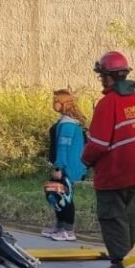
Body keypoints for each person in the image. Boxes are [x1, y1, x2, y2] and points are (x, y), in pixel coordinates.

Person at [80, 51, 135, 268]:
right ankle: (134, 262)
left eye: (102, 75)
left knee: (112, 219)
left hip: (115, 173)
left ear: (108, 76)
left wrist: (84, 160)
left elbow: (99, 144)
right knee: (130, 218)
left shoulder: (107, 103)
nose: (101, 79)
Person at [42, 89, 87, 241]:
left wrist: (58, 167)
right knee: (56, 194)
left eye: (55, 100)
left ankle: (68, 229)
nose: (52, 103)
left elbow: (63, 147)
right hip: (65, 165)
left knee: (66, 198)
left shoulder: (67, 125)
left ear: (62, 104)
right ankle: (60, 225)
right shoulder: (66, 121)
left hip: (68, 166)